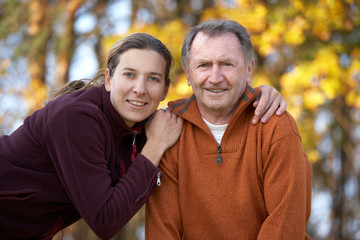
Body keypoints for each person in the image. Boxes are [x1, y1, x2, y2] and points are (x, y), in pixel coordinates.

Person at [0, 32, 286, 239]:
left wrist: (257, 95)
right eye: (129, 75)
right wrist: (157, 146)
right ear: (109, 79)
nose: (140, 88)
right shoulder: (77, 118)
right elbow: (104, 221)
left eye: (153, 78)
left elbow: (208, 102)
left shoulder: (144, 124)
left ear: (164, 90)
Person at [145, 20, 312, 239]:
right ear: (188, 73)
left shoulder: (275, 126)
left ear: (248, 69)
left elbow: (285, 226)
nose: (215, 78)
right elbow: (162, 231)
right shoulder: (169, 133)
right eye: (203, 65)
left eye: (226, 64)